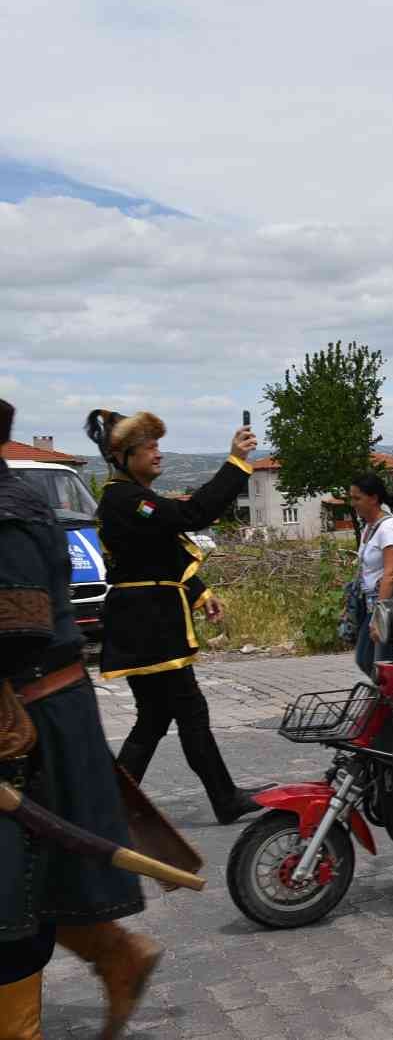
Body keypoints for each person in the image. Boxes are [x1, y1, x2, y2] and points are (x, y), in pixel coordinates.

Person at [1, 399, 162, 1040]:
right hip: (33, 714)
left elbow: (15, 633)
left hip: (27, 724)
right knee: (31, 882)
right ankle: (116, 954)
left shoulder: (6, 511)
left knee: (10, 895)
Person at [87, 408, 268, 825]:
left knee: (153, 720)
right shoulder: (126, 499)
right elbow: (190, 517)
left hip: (149, 620)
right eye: (148, 447)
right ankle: (225, 799)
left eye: (157, 445)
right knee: (189, 710)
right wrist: (236, 463)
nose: (157, 453)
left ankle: (110, 806)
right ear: (124, 456)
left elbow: (161, 552)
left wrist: (199, 590)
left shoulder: (131, 499)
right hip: (147, 625)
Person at [351, 473, 393, 679]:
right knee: (364, 658)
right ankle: (390, 699)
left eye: (357, 498)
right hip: (371, 603)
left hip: (388, 607)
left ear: (374, 498)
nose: (354, 504)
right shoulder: (369, 527)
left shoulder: (388, 527)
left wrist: (380, 617)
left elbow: (391, 574)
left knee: (383, 663)